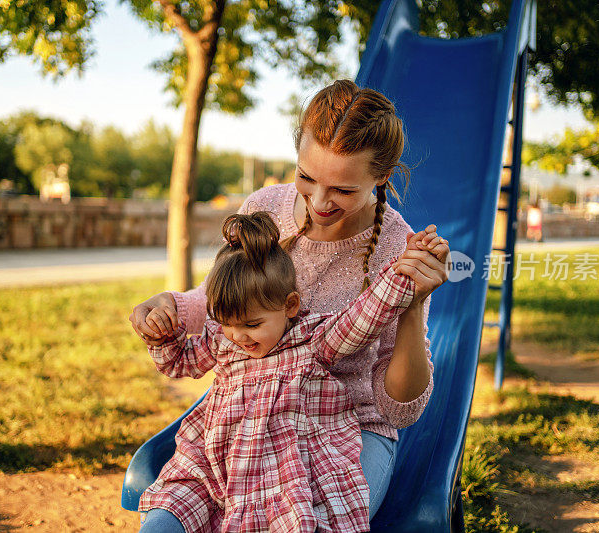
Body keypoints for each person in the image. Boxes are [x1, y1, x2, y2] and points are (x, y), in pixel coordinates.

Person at [130, 79, 451, 530]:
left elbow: (401, 410)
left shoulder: (397, 246)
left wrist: (413, 307)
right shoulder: (265, 207)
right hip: (245, 414)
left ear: (381, 177)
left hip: (346, 430)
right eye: (306, 176)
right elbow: (222, 302)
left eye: (342, 189)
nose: (319, 202)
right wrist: (167, 308)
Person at [137, 212, 447, 533]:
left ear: (290, 305)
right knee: (163, 517)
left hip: (282, 467)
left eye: (252, 324)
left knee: (296, 521)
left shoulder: (311, 340)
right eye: (227, 322)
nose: (238, 336)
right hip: (213, 461)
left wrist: (404, 272)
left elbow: (360, 318)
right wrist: (163, 334)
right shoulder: (221, 337)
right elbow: (179, 363)